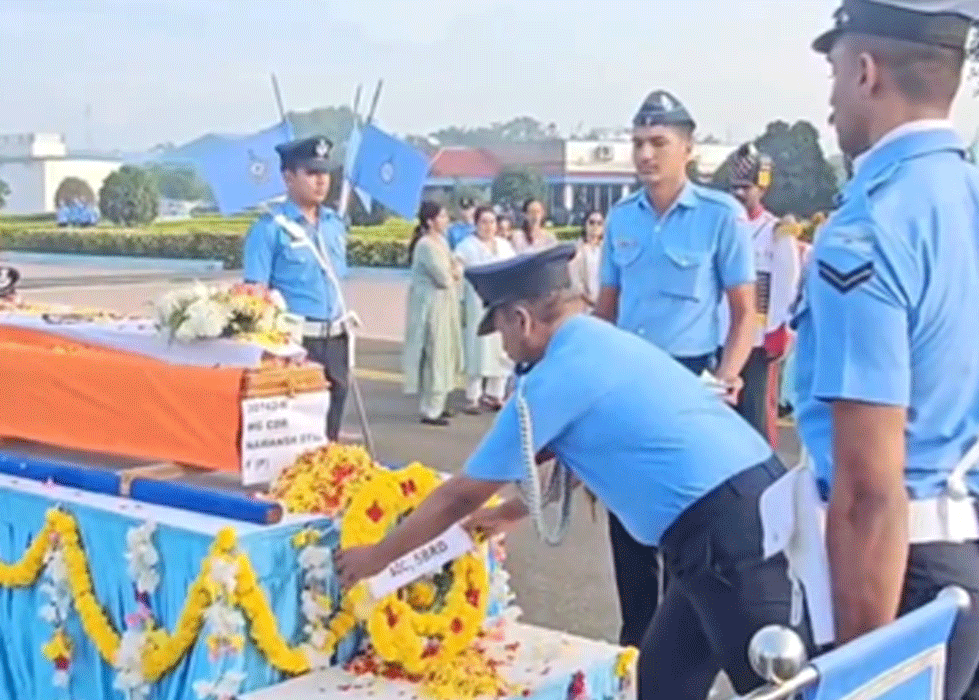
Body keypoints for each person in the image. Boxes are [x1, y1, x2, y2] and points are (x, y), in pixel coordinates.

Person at [336, 244, 813, 700]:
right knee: (662, 684)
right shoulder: (599, 341)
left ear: (520, 320)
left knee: (775, 685)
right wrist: (512, 511)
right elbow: (597, 449)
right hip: (730, 518)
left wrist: (377, 557)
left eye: (500, 330)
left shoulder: (553, 377)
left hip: (731, 536)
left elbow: (461, 495)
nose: (503, 347)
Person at [794, 2, 979, 698]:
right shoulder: (966, 197)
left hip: (898, 576)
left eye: (836, 72)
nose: (832, 98)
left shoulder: (866, 231)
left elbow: (871, 490)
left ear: (866, 71)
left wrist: (869, 675)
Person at [593, 88, 758, 648]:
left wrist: (725, 378)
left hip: (691, 383)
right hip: (627, 385)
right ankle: (633, 650)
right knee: (629, 532)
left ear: (686, 149)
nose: (644, 154)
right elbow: (605, 314)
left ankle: (679, 655)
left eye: (657, 142)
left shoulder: (720, 217)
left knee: (688, 534)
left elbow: (743, 315)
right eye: (637, 142)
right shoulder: (620, 220)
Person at [243, 135, 353, 441]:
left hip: (336, 338)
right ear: (288, 177)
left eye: (325, 173)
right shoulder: (269, 229)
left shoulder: (334, 223)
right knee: (297, 429)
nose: (321, 182)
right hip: (296, 342)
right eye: (311, 173)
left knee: (330, 430)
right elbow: (256, 296)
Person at [719, 143, 800, 448]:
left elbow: (785, 286)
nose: (739, 194)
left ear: (761, 189)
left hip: (757, 337)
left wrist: (776, 331)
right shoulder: (725, 226)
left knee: (755, 418)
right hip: (722, 334)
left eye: (746, 187)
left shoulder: (776, 231)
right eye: (735, 187)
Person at [402, 201, 463, 426]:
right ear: (430, 221)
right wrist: (455, 270)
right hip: (431, 306)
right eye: (442, 216)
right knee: (435, 354)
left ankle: (439, 402)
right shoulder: (426, 245)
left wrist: (455, 270)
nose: (446, 220)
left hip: (444, 304)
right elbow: (444, 278)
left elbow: (453, 269)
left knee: (445, 352)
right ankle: (430, 409)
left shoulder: (441, 242)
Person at [454, 205, 517, 413]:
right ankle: (473, 396)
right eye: (484, 222)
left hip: (502, 303)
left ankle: (495, 394)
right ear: (476, 223)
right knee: (477, 347)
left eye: (492, 222)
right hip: (477, 305)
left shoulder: (504, 246)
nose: (489, 226)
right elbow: (457, 269)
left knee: (501, 348)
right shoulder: (467, 246)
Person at [572, 210, 604, 309]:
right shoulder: (577, 249)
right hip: (584, 306)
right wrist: (590, 301)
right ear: (585, 224)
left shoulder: (607, 250)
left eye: (599, 223)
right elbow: (576, 283)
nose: (595, 226)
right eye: (591, 222)